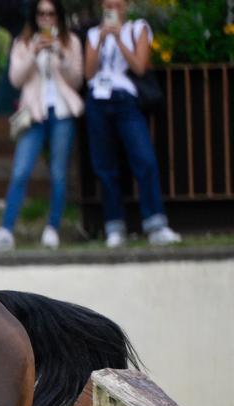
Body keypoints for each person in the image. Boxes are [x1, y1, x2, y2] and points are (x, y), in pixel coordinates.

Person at [0, 0, 83, 251]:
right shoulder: (23, 42)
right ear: (35, 16)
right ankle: (6, 230)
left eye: (51, 13)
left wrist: (59, 56)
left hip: (62, 112)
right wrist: (34, 53)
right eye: (41, 13)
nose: (46, 18)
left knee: (59, 173)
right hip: (34, 114)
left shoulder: (70, 41)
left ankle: (53, 228)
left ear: (58, 16)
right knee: (20, 171)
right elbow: (15, 79)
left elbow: (77, 79)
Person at [83, 0, 181, 247]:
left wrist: (118, 39)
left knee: (144, 159)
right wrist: (103, 39)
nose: (112, 9)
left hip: (126, 99)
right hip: (97, 100)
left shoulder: (138, 28)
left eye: (117, 4)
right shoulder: (94, 33)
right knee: (105, 166)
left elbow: (139, 66)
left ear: (125, 6)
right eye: (108, 5)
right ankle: (114, 226)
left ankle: (156, 224)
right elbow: (88, 73)